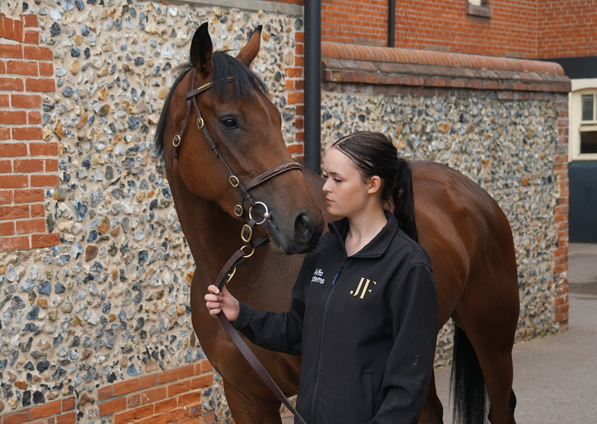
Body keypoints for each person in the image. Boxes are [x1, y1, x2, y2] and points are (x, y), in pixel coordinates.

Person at [205, 131, 438, 424]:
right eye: (325, 176)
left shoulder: (408, 266)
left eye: (337, 179)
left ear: (372, 185)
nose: (325, 187)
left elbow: (409, 383)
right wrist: (241, 313)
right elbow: (299, 330)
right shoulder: (325, 248)